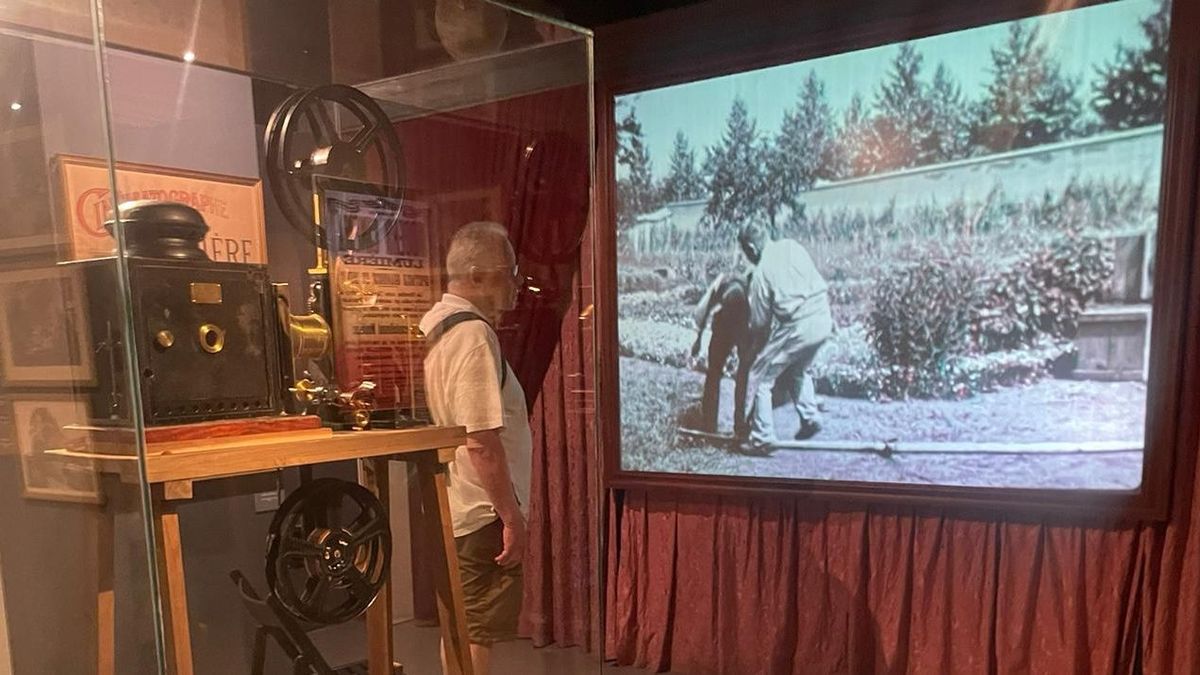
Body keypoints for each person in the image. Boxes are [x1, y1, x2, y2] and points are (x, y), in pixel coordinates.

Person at [419, 221, 530, 675]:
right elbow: (481, 440)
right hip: (482, 511)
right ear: (476, 275)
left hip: (461, 504)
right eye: (509, 273)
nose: (516, 285)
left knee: (464, 628)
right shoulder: (472, 336)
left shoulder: (440, 327)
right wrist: (511, 517)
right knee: (477, 630)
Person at [738, 223, 833, 455]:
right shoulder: (792, 246)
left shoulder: (761, 273)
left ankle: (762, 438)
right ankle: (810, 417)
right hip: (823, 317)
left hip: (799, 326)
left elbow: (759, 324)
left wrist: (754, 350)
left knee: (760, 377)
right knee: (797, 369)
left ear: (751, 247)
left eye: (746, 251)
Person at [691, 271, 751, 435]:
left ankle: (739, 424)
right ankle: (710, 424)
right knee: (715, 373)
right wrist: (698, 338)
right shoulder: (722, 286)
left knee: (740, 373)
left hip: (740, 322)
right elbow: (706, 310)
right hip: (725, 323)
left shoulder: (747, 288)